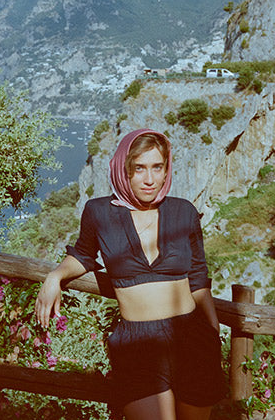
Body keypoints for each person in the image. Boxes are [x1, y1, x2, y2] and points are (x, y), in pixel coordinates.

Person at [35, 129, 226, 419]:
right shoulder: (99, 212)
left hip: (192, 339)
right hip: (137, 345)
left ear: (166, 170)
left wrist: (212, 333)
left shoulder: (184, 212)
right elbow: (83, 255)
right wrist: (55, 277)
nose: (149, 179)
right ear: (124, 169)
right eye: (139, 168)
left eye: (157, 167)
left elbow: (198, 277)